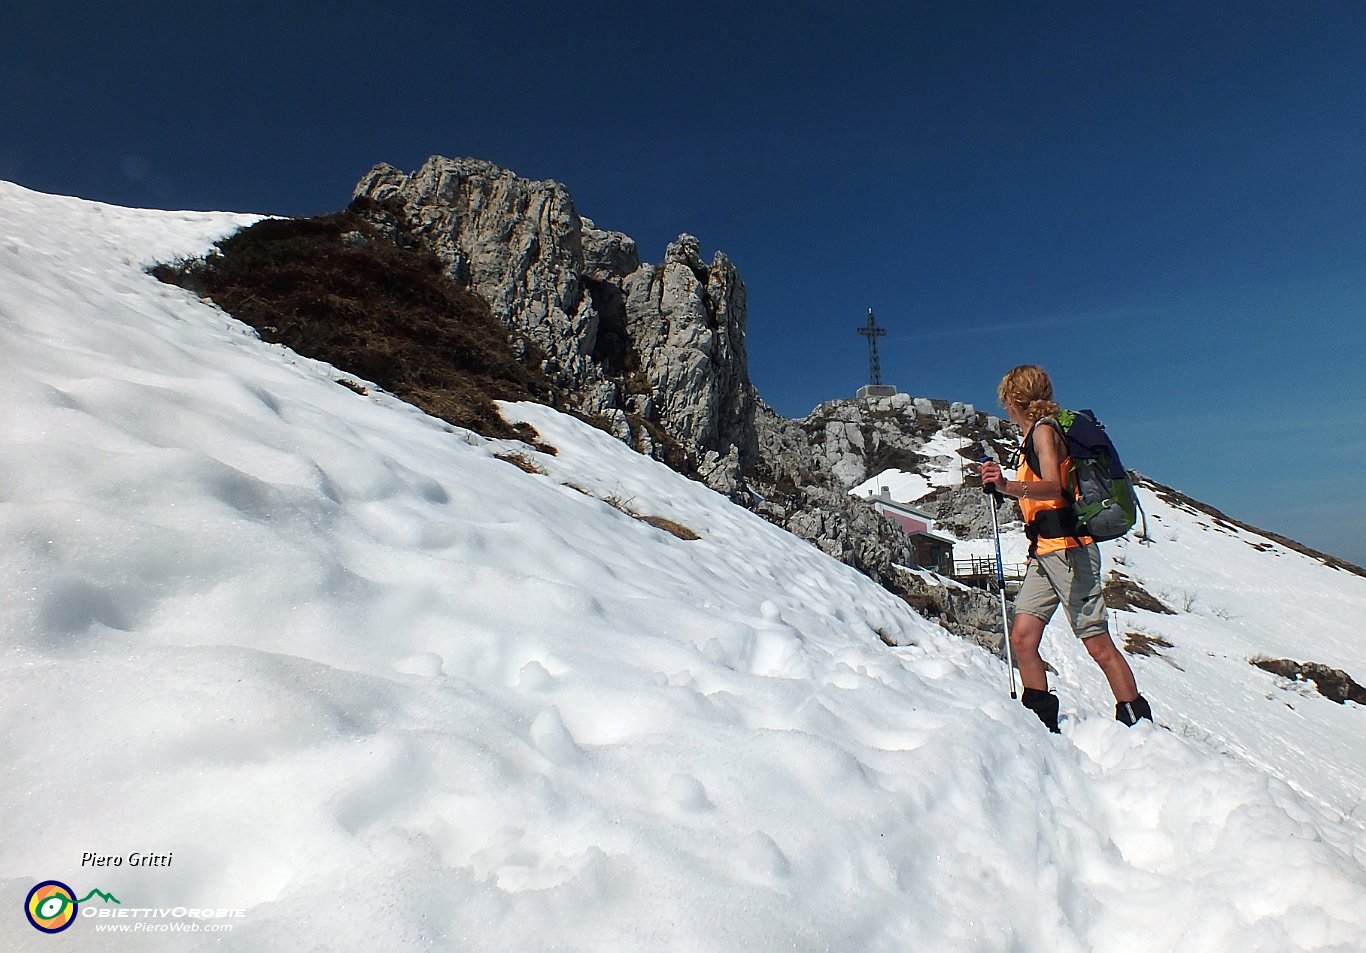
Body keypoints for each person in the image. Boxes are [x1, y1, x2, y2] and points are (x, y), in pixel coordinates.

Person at [978, 364, 1153, 732]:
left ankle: (1137, 723)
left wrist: (1008, 486)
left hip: (1070, 551)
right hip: (1045, 553)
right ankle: (1040, 723)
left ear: (1015, 399)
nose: (1004, 408)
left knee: (1096, 643)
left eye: (1006, 400)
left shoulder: (1044, 432)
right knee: (1023, 639)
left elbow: (1055, 487)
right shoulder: (1029, 441)